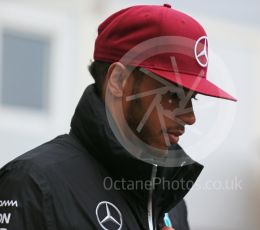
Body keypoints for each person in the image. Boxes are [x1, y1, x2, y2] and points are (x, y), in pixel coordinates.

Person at [0, 4, 236, 230]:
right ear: (118, 81)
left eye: (192, 98)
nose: (190, 118)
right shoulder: (32, 183)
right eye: (173, 95)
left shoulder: (171, 203)